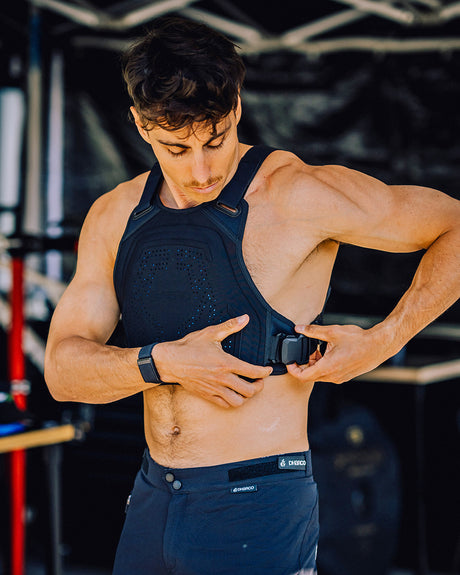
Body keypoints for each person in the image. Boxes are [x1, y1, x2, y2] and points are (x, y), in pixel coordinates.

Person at [44, 15, 460, 575]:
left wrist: (384, 341)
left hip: (258, 497)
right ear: (140, 125)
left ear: (236, 107)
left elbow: (454, 226)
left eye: (214, 141)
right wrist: (161, 362)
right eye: (176, 148)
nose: (201, 170)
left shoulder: (298, 193)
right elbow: (63, 372)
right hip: (152, 496)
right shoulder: (115, 214)